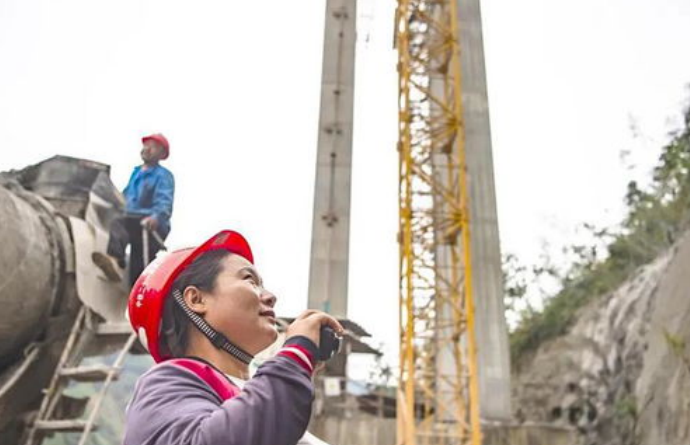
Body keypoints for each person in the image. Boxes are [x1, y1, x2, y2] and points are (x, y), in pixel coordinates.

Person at [123, 230, 343, 445]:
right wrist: (296, 356)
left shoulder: (250, 394)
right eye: (250, 280)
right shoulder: (164, 383)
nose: (270, 296)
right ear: (196, 299)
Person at [93, 133, 174, 286]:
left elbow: (165, 200)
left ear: (162, 154)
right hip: (132, 220)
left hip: (150, 226)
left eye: (154, 147)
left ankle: (117, 262)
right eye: (146, 145)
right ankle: (120, 268)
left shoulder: (163, 175)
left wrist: (156, 217)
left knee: (120, 225)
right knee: (136, 269)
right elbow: (125, 197)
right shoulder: (136, 173)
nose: (148, 149)